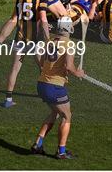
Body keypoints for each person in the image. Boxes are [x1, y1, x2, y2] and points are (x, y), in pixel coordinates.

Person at [0, 0, 72, 108]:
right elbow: (43, 20)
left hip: (20, 38)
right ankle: (51, 93)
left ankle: (8, 99)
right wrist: (48, 39)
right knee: (44, 68)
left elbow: (17, 18)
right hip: (35, 41)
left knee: (14, 69)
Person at [31, 17, 85, 159]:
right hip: (54, 87)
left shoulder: (51, 42)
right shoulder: (69, 44)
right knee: (67, 116)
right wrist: (77, 72)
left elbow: (40, 59)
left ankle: (38, 143)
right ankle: (61, 151)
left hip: (41, 84)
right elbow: (69, 66)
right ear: (69, 29)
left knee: (54, 112)